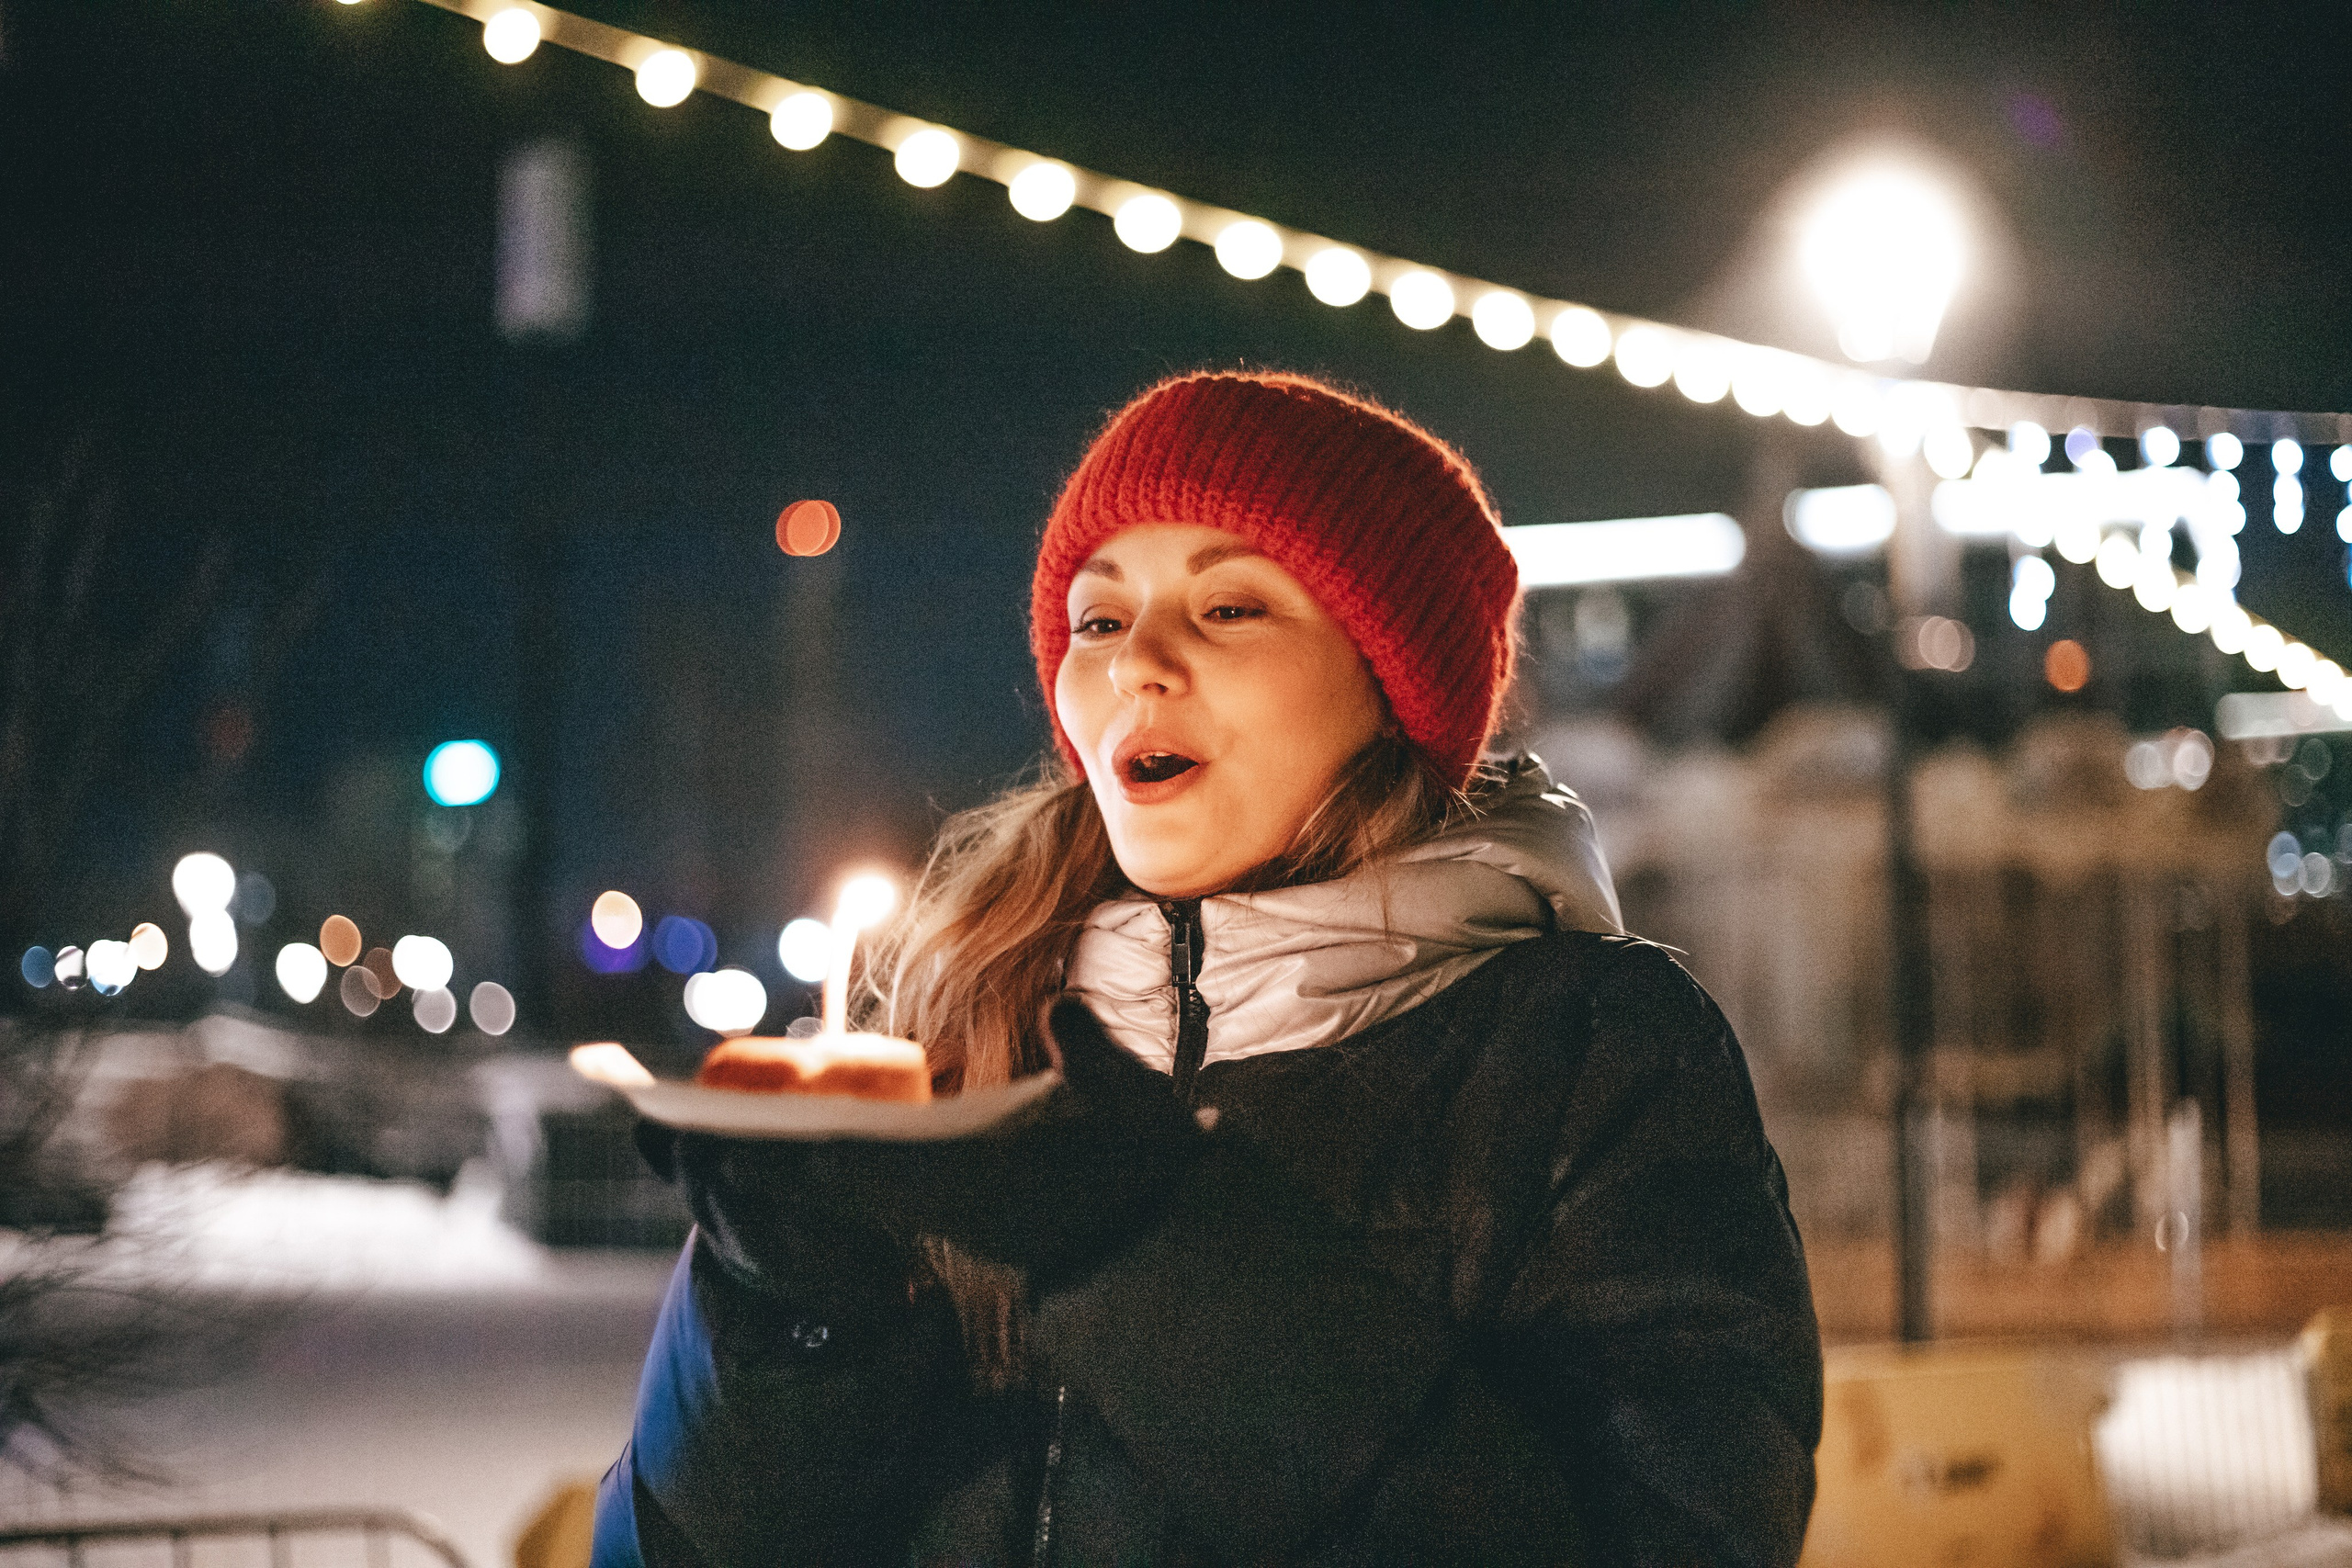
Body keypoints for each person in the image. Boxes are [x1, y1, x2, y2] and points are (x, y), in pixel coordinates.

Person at [592, 371, 1822, 1568]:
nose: (1138, 664)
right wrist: (777, 1314)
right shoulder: (947, 1023)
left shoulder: (1593, 1055)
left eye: (1229, 608)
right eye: (1099, 618)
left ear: (1390, 682)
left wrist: (1157, 1261)